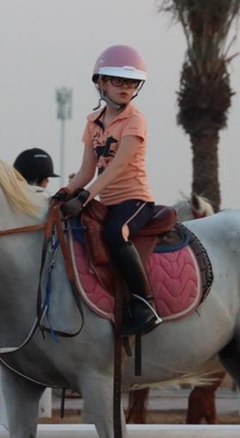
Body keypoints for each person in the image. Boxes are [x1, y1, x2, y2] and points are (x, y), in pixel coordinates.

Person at [51, 44, 161, 337]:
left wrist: (86, 196)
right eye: (118, 80)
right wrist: (64, 192)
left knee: (115, 233)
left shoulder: (135, 119)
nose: (126, 88)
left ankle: (144, 303)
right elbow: (87, 171)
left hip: (135, 200)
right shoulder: (93, 122)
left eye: (132, 82)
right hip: (106, 200)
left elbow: (118, 167)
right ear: (100, 82)